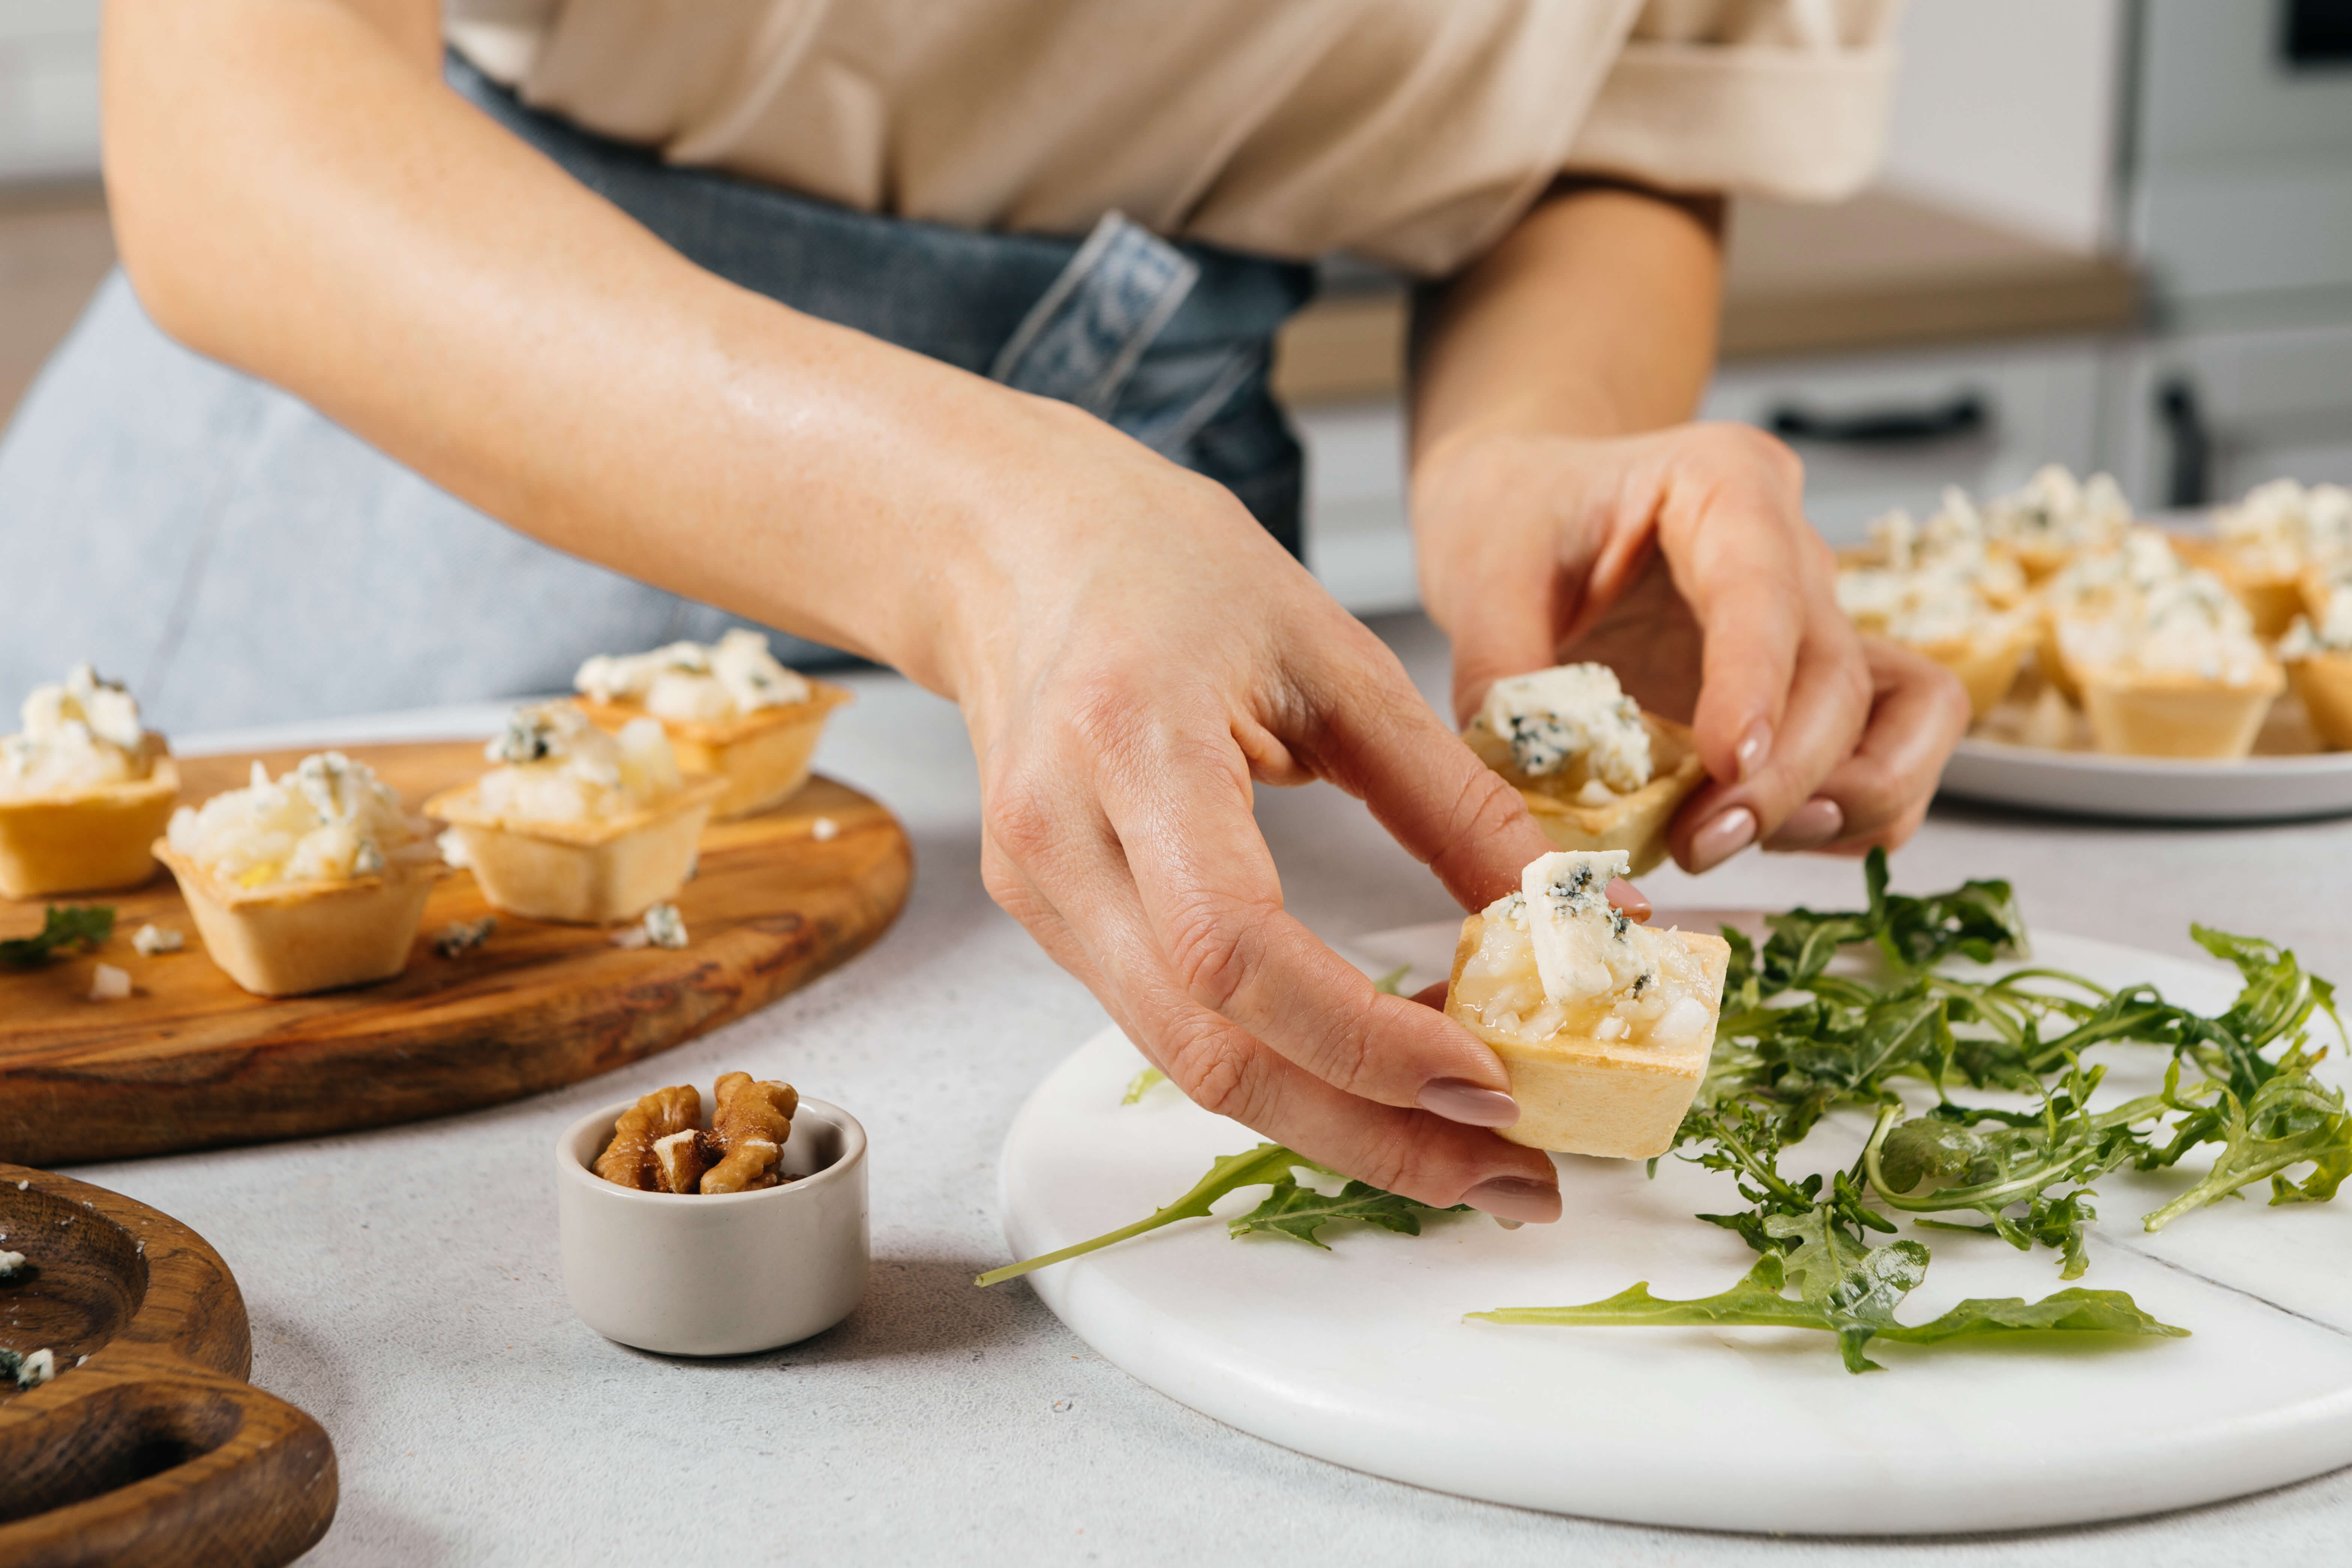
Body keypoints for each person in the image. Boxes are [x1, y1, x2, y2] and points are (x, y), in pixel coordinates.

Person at [1, 0, 1966, 1223]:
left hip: (1159, 604)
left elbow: (1633, 123)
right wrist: (982, 531)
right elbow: (227, 107)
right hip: (409, 472)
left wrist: (1524, 454)